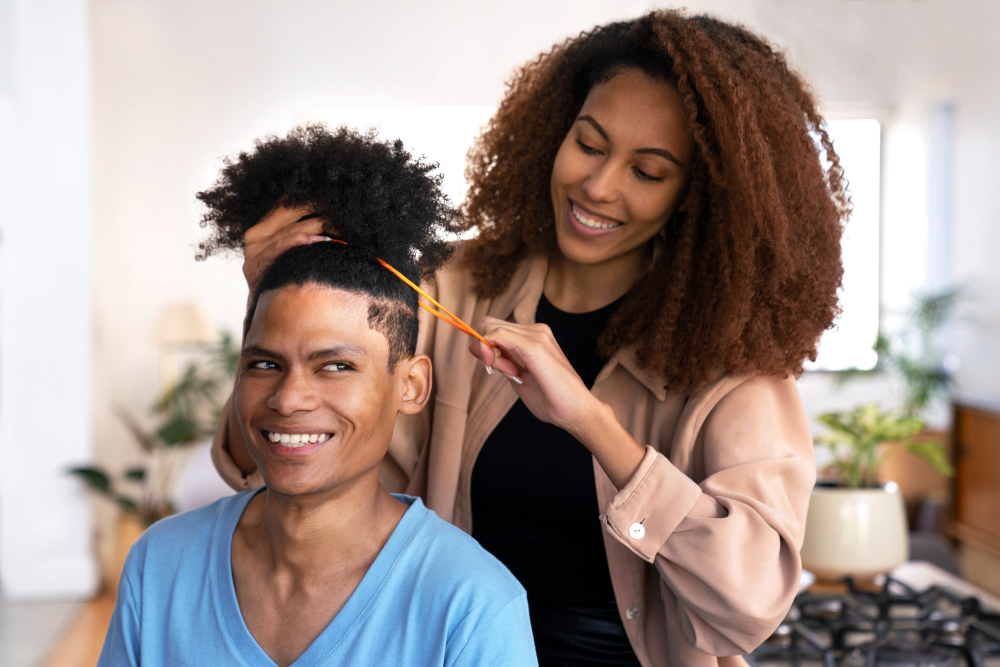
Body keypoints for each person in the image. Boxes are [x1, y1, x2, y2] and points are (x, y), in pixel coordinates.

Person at [213, 10, 847, 667]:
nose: (598, 186)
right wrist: (273, 296)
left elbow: (749, 603)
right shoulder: (451, 288)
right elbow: (271, 467)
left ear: (697, 195)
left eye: (648, 172)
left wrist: (593, 424)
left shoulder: (734, 356)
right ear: (555, 131)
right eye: (589, 144)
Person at [98, 126, 537, 667]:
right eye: (265, 364)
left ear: (411, 386)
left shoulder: (472, 607)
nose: (289, 399)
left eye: (335, 366)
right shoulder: (158, 567)